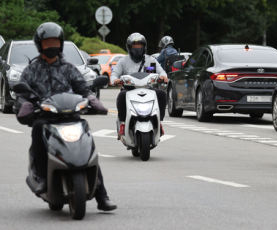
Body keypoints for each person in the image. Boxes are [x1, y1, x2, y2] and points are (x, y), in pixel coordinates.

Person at [16, 22, 116, 211]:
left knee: (88, 142)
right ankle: (42, 178)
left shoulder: (69, 68)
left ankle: (102, 195)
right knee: (37, 129)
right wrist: (25, 105)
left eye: (55, 42)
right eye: (48, 42)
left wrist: (92, 101)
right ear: (40, 44)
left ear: (61, 44)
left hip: (70, 116)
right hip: (46, 118)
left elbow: (83, 89)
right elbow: (23, 93)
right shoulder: (32, 70)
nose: (52, 46)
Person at [111, 33, 168, 137]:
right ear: (129, 47)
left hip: (148, 90)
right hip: (129, 90)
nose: (137, 48)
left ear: (144, 47)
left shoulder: (150, 60)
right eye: (134, 46)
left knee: (161, 94)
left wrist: (163, 77)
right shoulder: (123, 61)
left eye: (140, 46)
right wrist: (115, 80)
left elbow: (161, 72)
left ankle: (159, 122)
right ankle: (123, 123)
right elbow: (114, 74)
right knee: (121, 96)